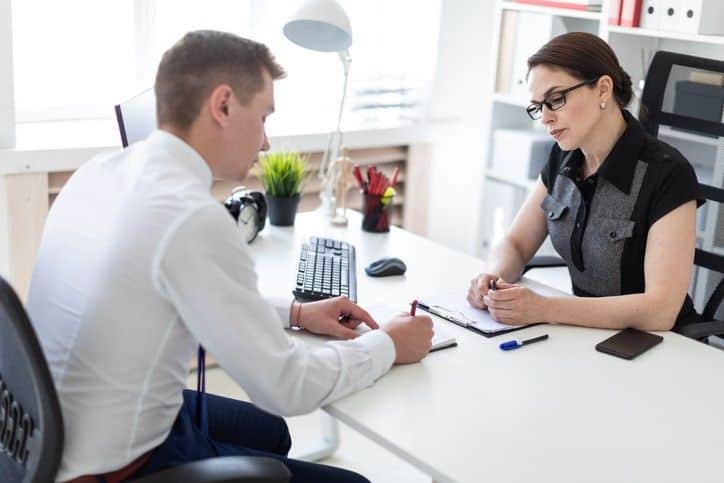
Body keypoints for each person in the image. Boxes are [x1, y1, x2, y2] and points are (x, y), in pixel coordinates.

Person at [27, 30, 433, 483]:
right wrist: (388, 344)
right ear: (222, 106)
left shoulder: (97, 173)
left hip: (52, 436)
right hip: (110, 469)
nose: (266, 143)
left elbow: (184, 294)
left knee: (272, 435)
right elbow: (287, 386)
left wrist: (296, 312)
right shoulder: (188, 217)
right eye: (263, 117)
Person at [467, 32, 701, 332]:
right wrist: (492, 277)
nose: (545, 118)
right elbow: (516, 243)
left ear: (603, 89)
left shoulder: (668, 174)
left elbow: (660, 310)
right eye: (539, 106)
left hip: (658, 347)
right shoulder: (563, 157)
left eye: (556, 99)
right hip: (586, 335)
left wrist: (545, 308)